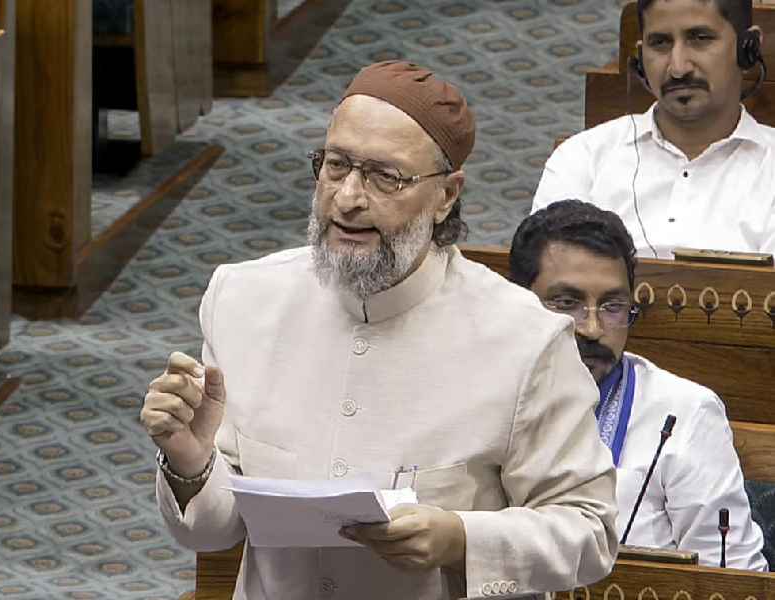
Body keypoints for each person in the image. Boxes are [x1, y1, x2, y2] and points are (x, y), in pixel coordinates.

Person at [140, 61, 619, 599]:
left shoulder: (524, 339)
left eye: (385, 177)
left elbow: (590, 532)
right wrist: (190, 461)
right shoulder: (243, 299)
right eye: (336, 165)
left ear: (445, 196)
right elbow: (213, 528)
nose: (348, 198)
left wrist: (460, 538)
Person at [509, 199, 768, 570]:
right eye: (567, 303)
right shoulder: (476, 393)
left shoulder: (685, 413)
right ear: (517, 302)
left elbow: (732, 579)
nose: (593, 329)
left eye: (613, 307)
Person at [532, 0, 775, 259]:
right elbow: (547, 282)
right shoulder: (584, 158)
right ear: (640, 57)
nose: (678, 68)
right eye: (660, 43)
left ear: (747, 48)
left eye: (700, 38)